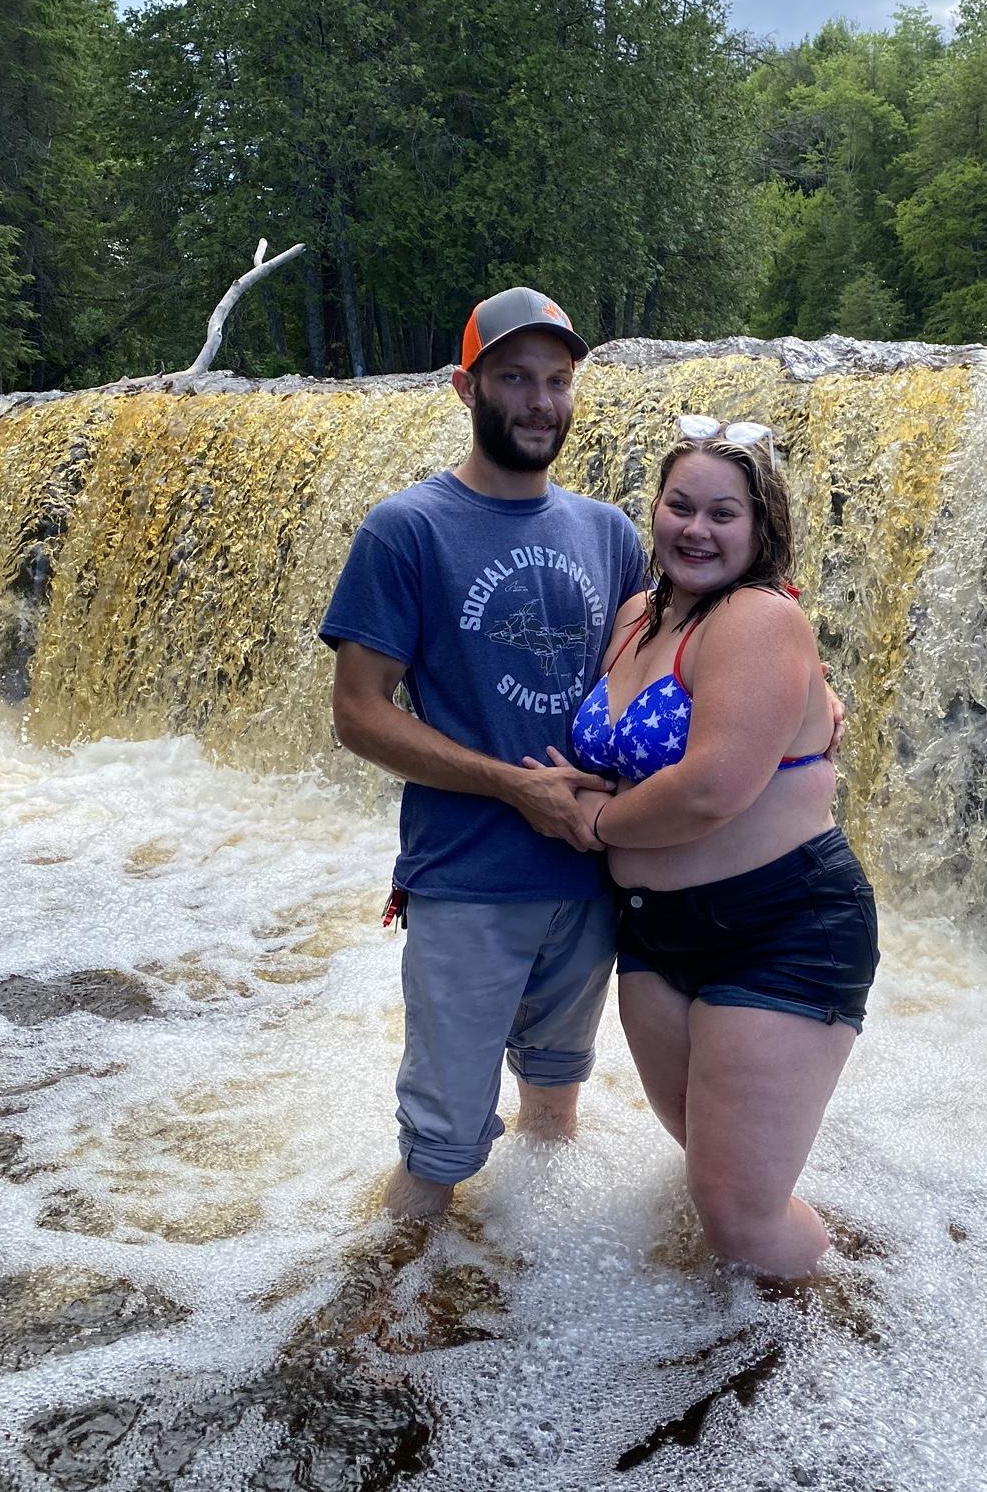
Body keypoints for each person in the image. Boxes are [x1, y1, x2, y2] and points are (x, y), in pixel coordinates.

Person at [319, 286, 648, 1220]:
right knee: (440, 1149)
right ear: (466, 387)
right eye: (514, 378)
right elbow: (358, 714)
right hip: (466, 881)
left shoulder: (611, 535)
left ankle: (519, 1277)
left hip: (590, 881)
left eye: (557, 380)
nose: (540, 402)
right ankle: (382, 1294)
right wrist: (512, 788)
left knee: (554, 1116)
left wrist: (801, 689)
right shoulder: (406, 530)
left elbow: (660, 680)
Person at [540, 419, 879, 1277]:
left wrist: (595, 824)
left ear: (762, 528)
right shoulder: (635, 617)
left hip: (779, 928)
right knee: (715, 1167)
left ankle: (847, 1321)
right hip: (655, 932)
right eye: (680, 506)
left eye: (723, 513)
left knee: (737, 1216)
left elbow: (709, 790)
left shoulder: (759, 619)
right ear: (653, 510)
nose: (696, 529)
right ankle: (772, 1298)